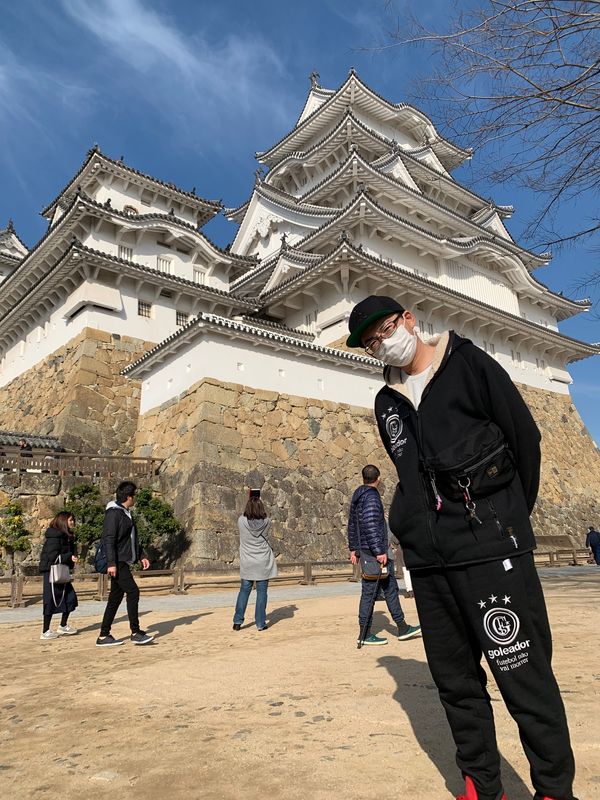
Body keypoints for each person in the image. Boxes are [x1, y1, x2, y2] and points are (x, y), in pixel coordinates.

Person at [346, 295, 576, 800]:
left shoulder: (470, 364)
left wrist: (504, 520)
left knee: (524, 677)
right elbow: (410, 474)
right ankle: (479, 784)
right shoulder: (388, 401)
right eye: (370, 343)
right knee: (456, 684)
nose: (382, 344)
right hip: (429, 563)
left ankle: (555, 790)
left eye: (385, 330)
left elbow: (525, 440)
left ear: (408, 319)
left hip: (491, 552)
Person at [348, 464, 421, 645]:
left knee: (390, 589)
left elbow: (352, 525)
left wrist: (354, 548)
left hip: (366, 550)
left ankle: (402, 626)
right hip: (374, 552)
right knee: (369, 593)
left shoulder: (358, 496)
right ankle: (364, 633)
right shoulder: (371, 497)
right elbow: (371, 525)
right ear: (378, 478)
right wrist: (379, 551)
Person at [96, 481, 153, 647]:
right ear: (129, 497)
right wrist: (111, 563)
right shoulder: (114, 514)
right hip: (117, 561)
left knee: (115, 598)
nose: (135, 498)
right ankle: (135, 632)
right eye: (134, 495)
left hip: (122, 559)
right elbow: (109, 539)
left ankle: (103, 635)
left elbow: (130, 539)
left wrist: (141, 554)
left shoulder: (125, 513)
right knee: (133, 592)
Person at [232, 491, 277, 631]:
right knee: (262, 593)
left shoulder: (241, 521)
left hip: (248, 563)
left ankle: (237, 622)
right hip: (263, 562)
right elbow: (263, 518)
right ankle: (260, 623)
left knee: (244, 591)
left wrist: (251, 499)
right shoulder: (267, 522)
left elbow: (245, 515)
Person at [38, 512, 79, 640]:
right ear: (64, 521)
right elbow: (52, 557)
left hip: (62, 571)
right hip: (51, 572)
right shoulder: (54, 537)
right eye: (71, 520)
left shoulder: (67, 537)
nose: (73, 523)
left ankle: (63, 625)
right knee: (50, 600)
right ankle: (45, 631)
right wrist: (69, 557)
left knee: (70, 597)